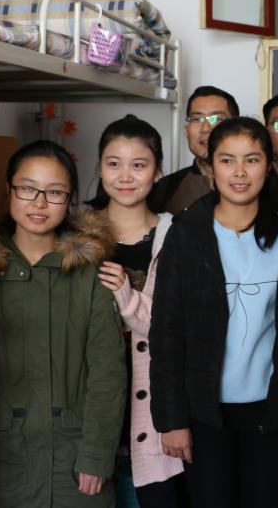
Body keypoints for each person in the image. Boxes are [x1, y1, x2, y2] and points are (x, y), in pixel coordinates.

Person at [149, 117, 278, 508]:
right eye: (227, 160)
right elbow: (166, 333)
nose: (240, 172)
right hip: (203, 412)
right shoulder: (187, 234)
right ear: (211, 167)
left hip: (272, 412)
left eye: (252, 159)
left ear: (269, 165)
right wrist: (172, 420)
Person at [0, 140, 125, 507]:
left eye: (55, 192)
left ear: (70, 199)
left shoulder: (89, 271)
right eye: (28, 188)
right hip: (1, 460)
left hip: (75, 461)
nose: (40, 203)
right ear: (9, 190)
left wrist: (96, 454)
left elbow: (107, 371)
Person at [86, 116, 187, 507]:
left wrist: (127, 295)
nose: (125, 176)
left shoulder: (179, 236)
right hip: (91, 408)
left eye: (139, 164)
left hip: (157, 412)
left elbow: (181, 326)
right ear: (100, 168)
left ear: (158, 171)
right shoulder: (76, 235)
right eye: (114, 164)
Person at [149, 85, 239, 215]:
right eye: (197, 119)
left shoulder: (255, 184)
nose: (206, 128)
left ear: (237, 128)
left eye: (216, 119)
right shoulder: (165, 189)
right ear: (187, 131)